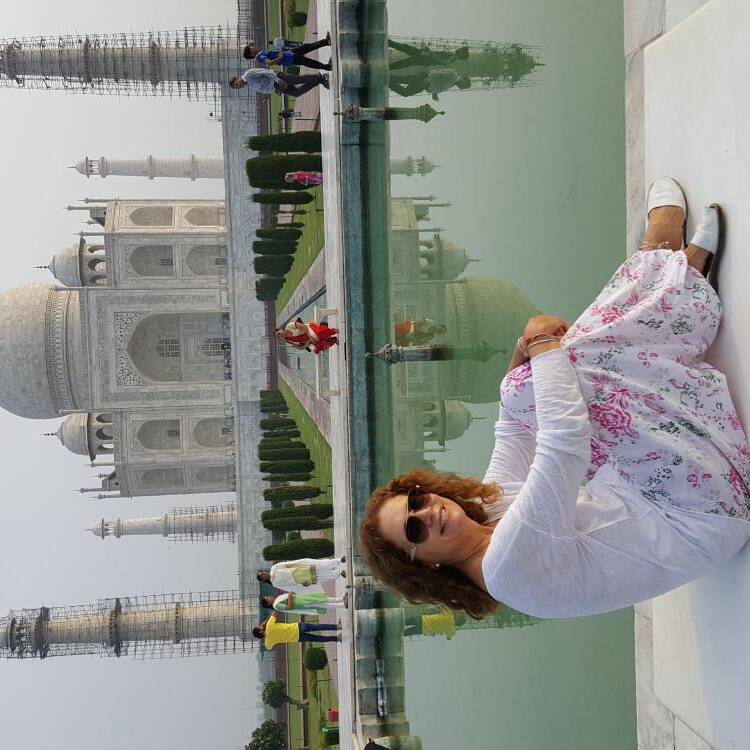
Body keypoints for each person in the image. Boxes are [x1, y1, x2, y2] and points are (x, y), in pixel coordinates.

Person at [359, 177, 750, 620]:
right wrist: (544, 344)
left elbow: (513, 427)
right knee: (565, 371)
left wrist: (524, 349)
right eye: (414, 530)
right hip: (704, 511)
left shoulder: (488, 519)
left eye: (415, 500)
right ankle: (666, 263)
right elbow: (564, 443)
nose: (427, 513)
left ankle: (671, 276)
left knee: (527, 388)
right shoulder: (505, 566)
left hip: (671, 489)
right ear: (424, 567)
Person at [257, 556, 347, 593]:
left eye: (262, 573)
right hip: (299, 580)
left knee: (319, 567)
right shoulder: (275, 583)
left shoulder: (274, 568)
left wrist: (299, 563)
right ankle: (339, 573)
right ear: (263, 580)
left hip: (298, 569)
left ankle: (338, 560)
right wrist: (301, 586)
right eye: (262, 576)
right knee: (321, 577)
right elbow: (287, 587)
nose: (264, 574)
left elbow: (287, 564)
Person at [243, 33, 332, 71]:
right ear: (251, 54)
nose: (253, 48)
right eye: (251, 49)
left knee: (307, 47)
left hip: (289, 54)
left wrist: (280, 52)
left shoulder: (260, 54)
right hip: (289, 58)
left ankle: (325, 42)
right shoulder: (260, 57)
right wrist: (280, 57)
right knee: (308, 62)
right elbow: (269, 63)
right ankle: (327, 67)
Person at [253, 613, 342, 648]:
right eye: (259, 627)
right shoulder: (269, 626)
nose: (260, 626)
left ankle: (337, 639)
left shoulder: (267, 643)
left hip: (297, 638)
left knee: (318, 639)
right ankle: (337, 627)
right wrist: (265, 622)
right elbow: (274, 613)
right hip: (297, 627)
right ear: (260, 631)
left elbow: (268, 647)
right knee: (318, 627)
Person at [229, 68, 329, 97]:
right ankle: (318, 79)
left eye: (237, 84)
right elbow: (263, 89)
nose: (239, 86)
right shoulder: (249, 86)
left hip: (277, 79)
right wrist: (274, 91)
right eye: (237, 87)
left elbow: (264, 72)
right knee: (296, 93)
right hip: (276, 87)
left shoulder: (248, 74)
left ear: (236, 78)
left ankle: (319, 78)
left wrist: (277, 79)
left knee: (299, 80)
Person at [388, 39, 469, 71]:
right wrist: (428, 51)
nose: (459, 48)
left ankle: (388, 67)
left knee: (404, 62)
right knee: (405, 50)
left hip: (423, 58)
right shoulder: (452, 55)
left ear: (462, 54)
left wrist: (430, 54)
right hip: (424, 56)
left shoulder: (452, 58)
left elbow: (442, 62)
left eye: (461, 49)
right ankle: (389, 43)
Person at [274, 319, 339, 354]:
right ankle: (333, 340)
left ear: (280, 329)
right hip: (308, 341)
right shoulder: (288, 340)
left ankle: (333, 331)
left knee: (318, 333)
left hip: (309, 330)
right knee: (317, 350)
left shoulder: (289, 326)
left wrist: (310, 337)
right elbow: (300, 348)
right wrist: (307, 344)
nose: (280, 335)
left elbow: (304, 326)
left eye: (279, 333)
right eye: (279, 336)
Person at [261, 591, 348, 616]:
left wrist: (291, 595)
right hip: (302, 603)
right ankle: (342, 605)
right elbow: (288, 607)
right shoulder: (276, 605)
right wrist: (290, 595)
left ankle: (341, 599)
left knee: (323, 599)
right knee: (323, 604)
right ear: (268, 603)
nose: (269, 596)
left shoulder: (277, 599)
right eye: (268, 598)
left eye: (268, 596)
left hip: (302, 599)